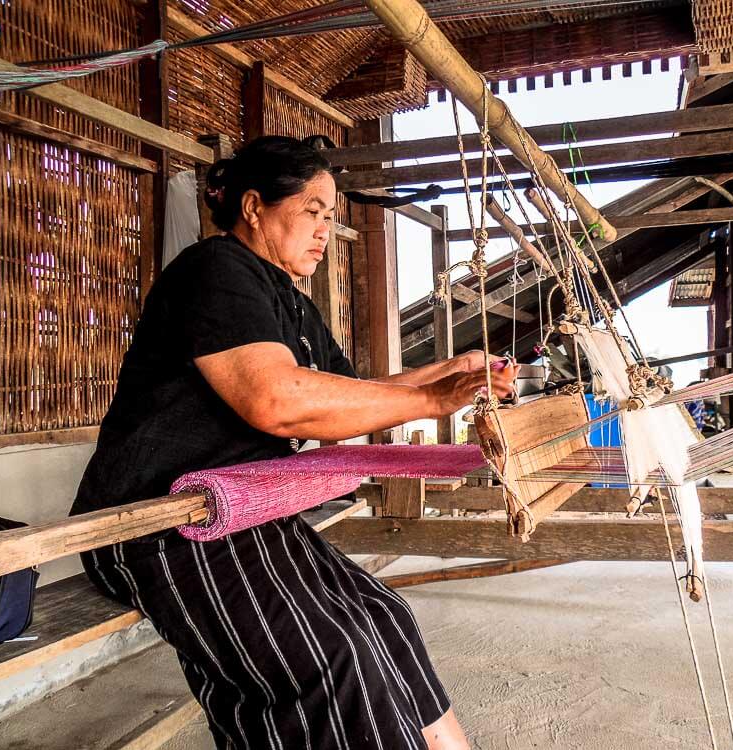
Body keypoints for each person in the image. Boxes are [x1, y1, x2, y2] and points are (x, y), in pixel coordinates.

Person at [70, 135, 518, 750]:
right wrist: (432, 401)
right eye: (312, 210)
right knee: (331, 660)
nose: (325, 229)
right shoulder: (214, 271)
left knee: (386, 620)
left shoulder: (290, 302)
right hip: (157, 524)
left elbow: (351, 395)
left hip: (242, 511)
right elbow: (276, 401)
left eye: (330, 215)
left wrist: (449, 373)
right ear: (254, 207)